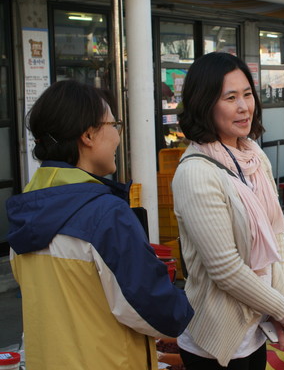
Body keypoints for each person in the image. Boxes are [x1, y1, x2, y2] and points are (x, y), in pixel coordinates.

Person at [6, 80, 194, 369]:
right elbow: (157, 312)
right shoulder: (105, 215)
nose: (118, 136)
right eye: (113, 124)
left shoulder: (26, 211)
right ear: (88, 135)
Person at [172, 52, 284, 369]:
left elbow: (277, 235)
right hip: (216, 341)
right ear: (205, 104)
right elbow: (225, 268)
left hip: (256, 330)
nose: (244, 106)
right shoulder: (195, 173)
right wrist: (283, 310)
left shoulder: (254, 156)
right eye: (231, 98)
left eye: (247, 94)